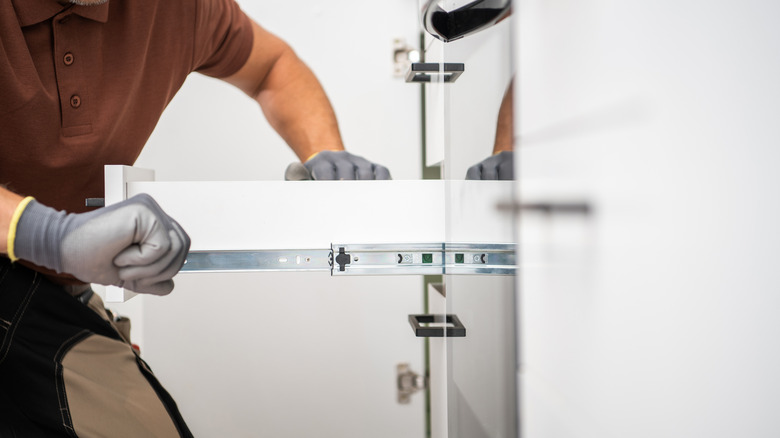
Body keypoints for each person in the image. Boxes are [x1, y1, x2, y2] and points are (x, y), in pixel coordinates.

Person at [0, 0, 389, 436]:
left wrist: (323, 151)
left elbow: (271, 67)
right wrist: (50, 235)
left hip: (48, 286)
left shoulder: (176, 9)